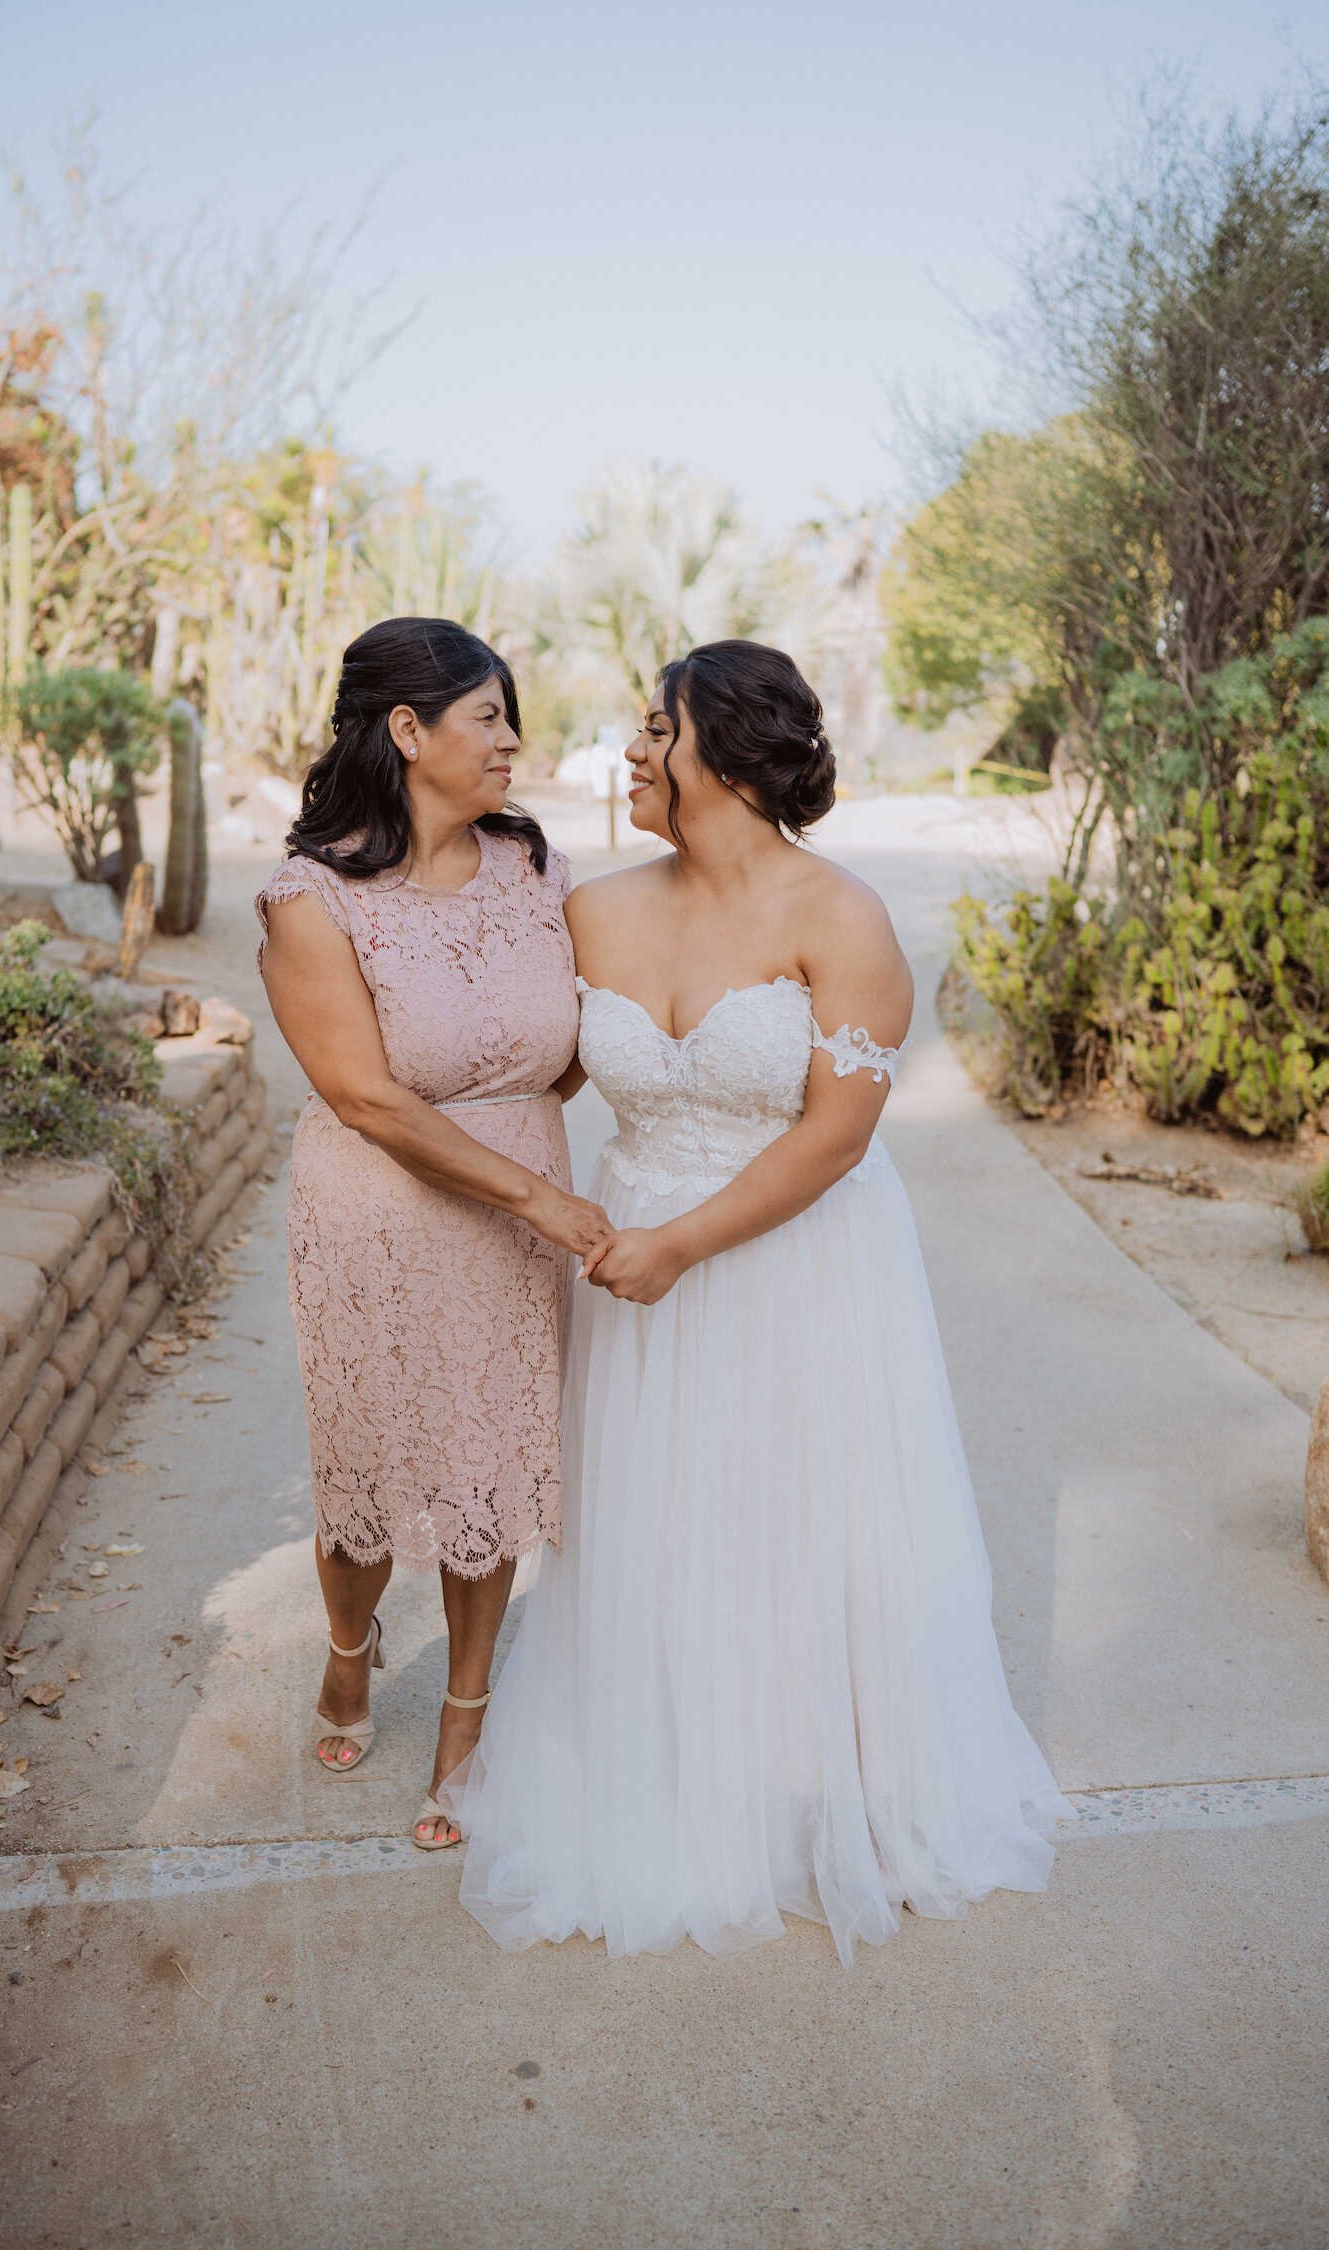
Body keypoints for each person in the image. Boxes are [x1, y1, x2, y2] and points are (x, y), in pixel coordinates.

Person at [446, 639, 1071, 1956]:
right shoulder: (596, 913)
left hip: (794, 1261)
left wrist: (681, 1243)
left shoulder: (839, 918)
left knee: (802, 1516)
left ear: (721, 754)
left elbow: (837, 1135)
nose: (626, 749)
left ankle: (822, 1785)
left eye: (652, 728)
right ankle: (670, 1768)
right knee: (657, 1517)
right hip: (633, 1265)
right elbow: (522, 1073)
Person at [254, 617, 609, 1849]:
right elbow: (363, 1095)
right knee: (364, 1485)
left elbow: (573, 1048)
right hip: (379, 1215)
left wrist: (527, 1134)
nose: (513, 743)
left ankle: (465, 1712)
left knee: (493, 1474)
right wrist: (535, 1194)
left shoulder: (538, 871)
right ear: (408, 732)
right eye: (488, 718)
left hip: (518, 1203)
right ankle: (350, 1646)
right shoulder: (312, 898)